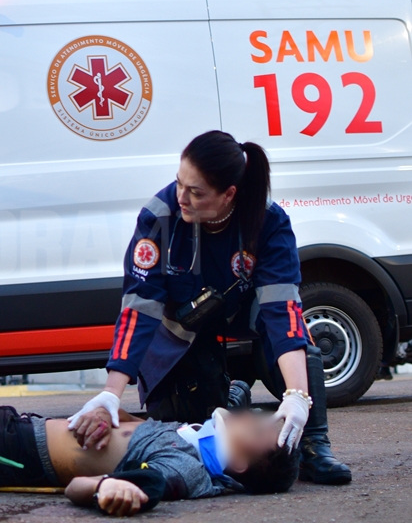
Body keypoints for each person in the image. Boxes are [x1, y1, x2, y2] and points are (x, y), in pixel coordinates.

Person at [67, 131, 351, 485]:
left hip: (251, 322)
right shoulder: (160, 218)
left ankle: (312, 446)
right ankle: (233, 398)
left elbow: (283, 309)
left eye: (196, 192)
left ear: (228, 195)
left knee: (301, 346)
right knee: (190, 432)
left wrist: (297, 396)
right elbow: (139, 308)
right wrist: (112, 391)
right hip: (185, 334)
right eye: (179, 183)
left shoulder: (267, 221)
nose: (181, 197)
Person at [0, 401, 300, 517]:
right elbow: (132, 433)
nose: (254, 417)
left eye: (261, 429)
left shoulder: (186, 470)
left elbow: (136, 484)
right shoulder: (197, 441)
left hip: (9, 449)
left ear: (240, 465)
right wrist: (109, 411)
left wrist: (110, 487)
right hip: (17, 428)